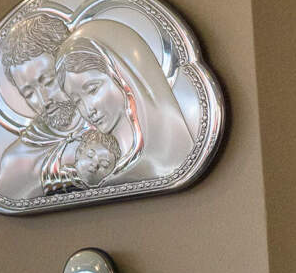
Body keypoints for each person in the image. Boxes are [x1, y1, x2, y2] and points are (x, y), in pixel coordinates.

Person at [54, 19, 199, 183]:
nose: (88, 109)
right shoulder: (86, 161)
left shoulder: (170, 149)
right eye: (77, 101)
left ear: (122, 77)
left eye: (92, 90)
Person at [0, 11, 79, 200]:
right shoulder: (15, 162)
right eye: (29, 93)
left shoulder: (115, 125)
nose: (44, 100)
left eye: (48, 81)